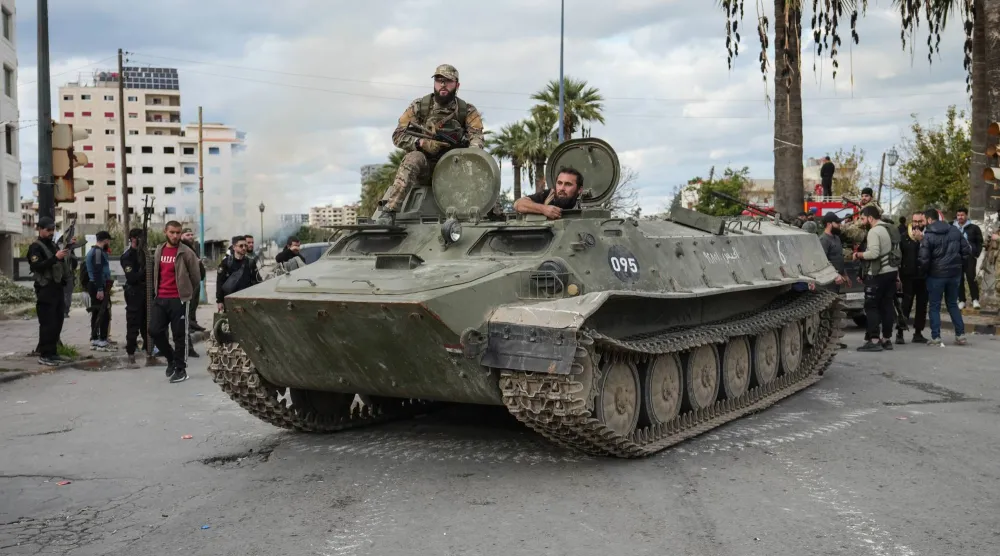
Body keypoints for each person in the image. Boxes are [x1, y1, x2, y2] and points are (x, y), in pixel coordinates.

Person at [376, 64, 485, 223]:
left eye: (448, 81)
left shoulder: (467, 110)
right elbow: (398, 135)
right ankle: (390, 210)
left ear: (457, 85)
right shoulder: (420, 107)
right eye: (439, 80)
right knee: (413, 158)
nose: (443, 85)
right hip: (425, 167)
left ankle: (492, 211)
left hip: (454, 169)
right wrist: (421, 143)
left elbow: (477, 137)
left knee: (480, 163)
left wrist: (468, 150)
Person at [150, 220, 203, 383]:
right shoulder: (159, 250)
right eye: (172, 232)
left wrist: (186, 293)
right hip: (161, 298)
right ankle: (171, 358)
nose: (175, 235)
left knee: (179, 336)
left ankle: (181, 369)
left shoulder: (186, 252)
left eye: (178, 232)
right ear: (165, 232)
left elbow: (196, 277)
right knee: (154, 331)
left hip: (178, 300)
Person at [851, 205, 899, 351]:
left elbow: (874, 253)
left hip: (878, 274)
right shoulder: (889, 228)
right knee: (887, 305)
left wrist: (858, 255)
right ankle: (887, 339)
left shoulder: (874, 231)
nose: (862, 221)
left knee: (871, 306)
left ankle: (873, 340)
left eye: (863, 218)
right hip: (892, 271)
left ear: (870, 218)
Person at [919, 208, 968, 346]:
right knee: (952, 304)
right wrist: (959, 266)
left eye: (923, 220)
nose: (922, 223)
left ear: (929, 219)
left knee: (934, 306)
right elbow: (966, 250)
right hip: (954, 274)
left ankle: (936, 337)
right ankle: (960, 335)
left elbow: (924, 259)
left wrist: (924, 273)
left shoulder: (928, 235)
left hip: (935, 275)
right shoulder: (954, 230)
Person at [28, 217, 70, 366]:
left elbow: (59, 263)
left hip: (56, 288)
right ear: (40, 229)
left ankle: (53, 353)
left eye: (53, 230)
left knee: (57, 321)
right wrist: (55, 258)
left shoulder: (52, 245)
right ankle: (45, 354)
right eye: (48, 230)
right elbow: (37, 266)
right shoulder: (35, 247)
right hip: (45, 289)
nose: (51, 232)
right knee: (47, 322)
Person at [897, 212, 929, 344]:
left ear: (925, 222)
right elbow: (899, 257)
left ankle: (918, 333)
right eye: (915, 221)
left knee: (922, 306)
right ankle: (900, 332)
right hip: (907, 276)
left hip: (923, 276)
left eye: (920, 221)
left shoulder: (928, 237)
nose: (917, 224)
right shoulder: (904, 236)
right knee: (905, 305)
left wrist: (922, 240)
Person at [818, 212, 849, 349]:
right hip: (828, 283)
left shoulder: (836, 238)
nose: (840, 225)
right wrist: (834, 275)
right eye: (837, 223)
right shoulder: (824, 240)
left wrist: (845, 274)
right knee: (826, 312)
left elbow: (839, 258)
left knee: (834, 312)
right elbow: (823, 261)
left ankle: (834, 339)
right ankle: (824, 341)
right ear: (829, 224)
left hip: (837, 282)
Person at [120, 228, 148, 368]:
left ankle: (150, 354)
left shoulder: (146, 254)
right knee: (133, 324)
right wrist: (145, 271)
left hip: (147, 293)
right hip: (134, 294)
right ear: (133, 239)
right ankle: (131, 355)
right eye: (139, 238)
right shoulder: (128, 256)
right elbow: (131, 278)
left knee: (148, 325)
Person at [513, 167, 584, 220]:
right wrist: (544, 209)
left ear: (579, 189)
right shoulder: (549, 195)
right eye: (559, 183)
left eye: (568, 184)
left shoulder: (586, 203)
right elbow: (518, 204)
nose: (562, 188)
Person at [85, 230, 114, 351]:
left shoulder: (95, 251)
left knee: (97, 312)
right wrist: (100, 289)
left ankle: (95, 339)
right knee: (104, 313)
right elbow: (97, 271)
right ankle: (101, 340)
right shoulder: (97, 252)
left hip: (96, 285)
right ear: (105, 240)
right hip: (98, 285)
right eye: (108, 241)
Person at [217, 235, 259, 310]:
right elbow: (220, 282)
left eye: (245, 246)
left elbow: (256, 281)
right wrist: (220, 301)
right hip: (230, 300)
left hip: (246, 300)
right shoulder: (226, 263)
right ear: (234, 247)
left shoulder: (250, 263)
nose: (244, 248)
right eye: (241, 246)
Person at [953, 207, 983, 310]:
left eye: (962, 215)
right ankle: (961, 300)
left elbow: (979, 242)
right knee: (959, 279)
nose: (960, 217)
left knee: (971, 277)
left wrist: (976, 253)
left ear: (966, 215)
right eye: (958, 215)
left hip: (970, 256)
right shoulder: (952, 227)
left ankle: (975, 299)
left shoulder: (973, 227)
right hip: (956, 257)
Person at [181, 229, 207, 334]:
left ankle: (193, 322)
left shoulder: (191, 247)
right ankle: (188, 325)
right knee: (188, 305)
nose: (191, 237)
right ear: (182, 236)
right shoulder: (182, 247)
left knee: (194, 304)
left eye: (192, 234)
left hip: (195, 280)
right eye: (188, 235)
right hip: (188, 282)